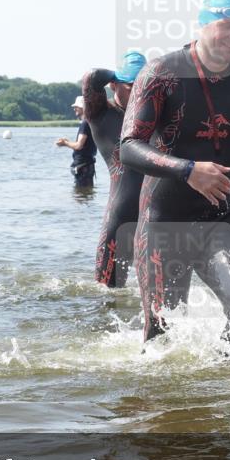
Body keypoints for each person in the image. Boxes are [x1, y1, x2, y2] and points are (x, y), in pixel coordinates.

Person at [120, 0, 230, 348]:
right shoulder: (161, 73)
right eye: (226, 26)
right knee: (162, 339)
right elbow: (129, 147)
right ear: (203, 23)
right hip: (163, 225)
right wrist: (188, 170)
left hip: (220, 219)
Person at [81, 51, 147, 288]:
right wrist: (119, 74)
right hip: (120, 217)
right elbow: (92, 77)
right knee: (107, 292)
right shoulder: (101, 115)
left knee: (166, 297)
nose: (139, 93)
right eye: (131, 87)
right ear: (113, 85)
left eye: (144, 86)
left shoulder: (156, 116)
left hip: (157, 216)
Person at [55, 96, 97, 187]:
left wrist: (65, 143)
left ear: (83, 108)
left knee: (80, 194)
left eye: (76, 107)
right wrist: (68, 142)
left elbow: (79, 145)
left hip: (83, 166)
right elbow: (84, 145)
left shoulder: (85, 123)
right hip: (87, 165)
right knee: (86, 193)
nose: (74, 109)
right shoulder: (90, 122)